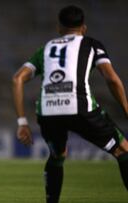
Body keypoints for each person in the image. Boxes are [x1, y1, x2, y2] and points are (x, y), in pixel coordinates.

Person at [12, 5, 128, 203]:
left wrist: (22, 122)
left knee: (58, 156)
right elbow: (111, 79)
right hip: (79, 107)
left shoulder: (46, 49)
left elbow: (17, 79)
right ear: (84, 28)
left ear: (59, 27)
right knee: (123, 149)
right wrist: (126, 109)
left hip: (48, 111)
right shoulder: (92, 45)